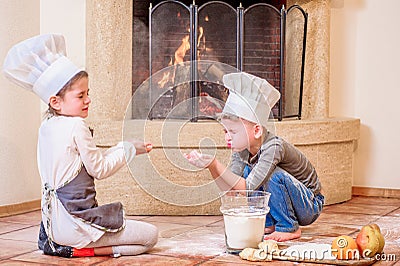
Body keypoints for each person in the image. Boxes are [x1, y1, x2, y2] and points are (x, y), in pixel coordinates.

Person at [2, 34, 158, 257]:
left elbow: (81, 163)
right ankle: (77, 250)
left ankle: (69, 248)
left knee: (137, 242)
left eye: (88, 93)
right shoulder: (76, 125)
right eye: (80, 95)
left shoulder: (46, 126)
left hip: (52, 226)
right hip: (75, 225)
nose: (88, 100)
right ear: (56, 101)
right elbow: (99, 169)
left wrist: (125, 146)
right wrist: (128, 149)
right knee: (149, 236)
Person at [185, 72, 324, 242]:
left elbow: (247, 187)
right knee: (245, 173)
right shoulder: (242, 150)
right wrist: (212, 167)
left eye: (233, 132)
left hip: (309, 203)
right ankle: (272, 222)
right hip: (290, 201)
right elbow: (231, 189)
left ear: (257, 130)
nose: (227, 137)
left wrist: (216, 163)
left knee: (272, 175)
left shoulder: (274, 147)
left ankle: (289, 227)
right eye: (225, 131)